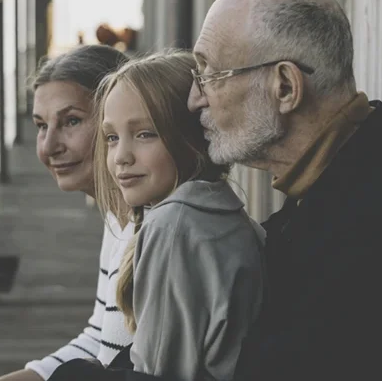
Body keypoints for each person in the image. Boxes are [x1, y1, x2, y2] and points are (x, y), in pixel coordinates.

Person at [48, 0, 382, 381]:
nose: (194, 100)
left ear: (284, 87)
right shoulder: (343, 185)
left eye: (210, 75)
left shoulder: (372, 222)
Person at [0, 44, 134, 381]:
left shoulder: (155, 231)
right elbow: (100, 340)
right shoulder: (119, 219)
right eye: (40, 125)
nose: (49, 146)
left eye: (72, 121)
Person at [88, 50, 265, 381]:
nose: (121, 156)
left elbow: (157, 373)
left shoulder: (173, 227)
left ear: (191, 137)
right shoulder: (230, 219)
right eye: (112, 137)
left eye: (145, 133)